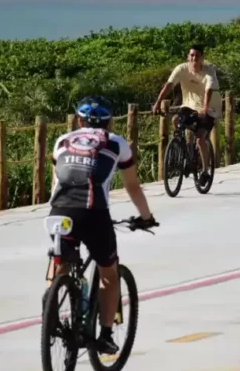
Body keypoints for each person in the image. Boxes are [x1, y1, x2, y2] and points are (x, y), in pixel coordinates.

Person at [46, 96, 158, 355]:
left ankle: (50, 304)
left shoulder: (62, 141)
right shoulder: (117, 143)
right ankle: (105, 335)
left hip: (59, 211)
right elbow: (132, 186)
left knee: (59, 263)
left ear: (79, 120)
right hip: (93, 213)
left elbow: (56, 184)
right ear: (109, 121)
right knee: (109, 274)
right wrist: (146, 217)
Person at [152, 44, 222, 186]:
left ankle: (204, 171)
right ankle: (182, 146)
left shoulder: (209, 71)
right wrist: (158, 102)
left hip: (209, 108)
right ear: (188, 57)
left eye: (197, 55)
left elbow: (208, 91)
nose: (194, 58)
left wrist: (205, 108)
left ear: (202, 57)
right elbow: (169, 84)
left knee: (201, 139)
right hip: (189, 105)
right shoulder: (182, 69)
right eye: (191, 55)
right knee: (176, 120)